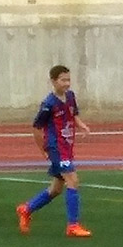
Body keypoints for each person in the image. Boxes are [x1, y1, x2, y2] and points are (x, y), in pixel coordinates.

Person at [16, 65, 92, 237]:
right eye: (63, 80)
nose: (66, 83)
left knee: (56, 189)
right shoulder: (48, 104)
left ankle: (26, 209)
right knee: (73, 180)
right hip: (56, 147)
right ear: (53, 81)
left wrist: (82, 125)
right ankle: (73, 226)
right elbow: (36, 128)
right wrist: (43, 149)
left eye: (68, 80)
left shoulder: (71, 96)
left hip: (67, 146)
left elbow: (74, 114)